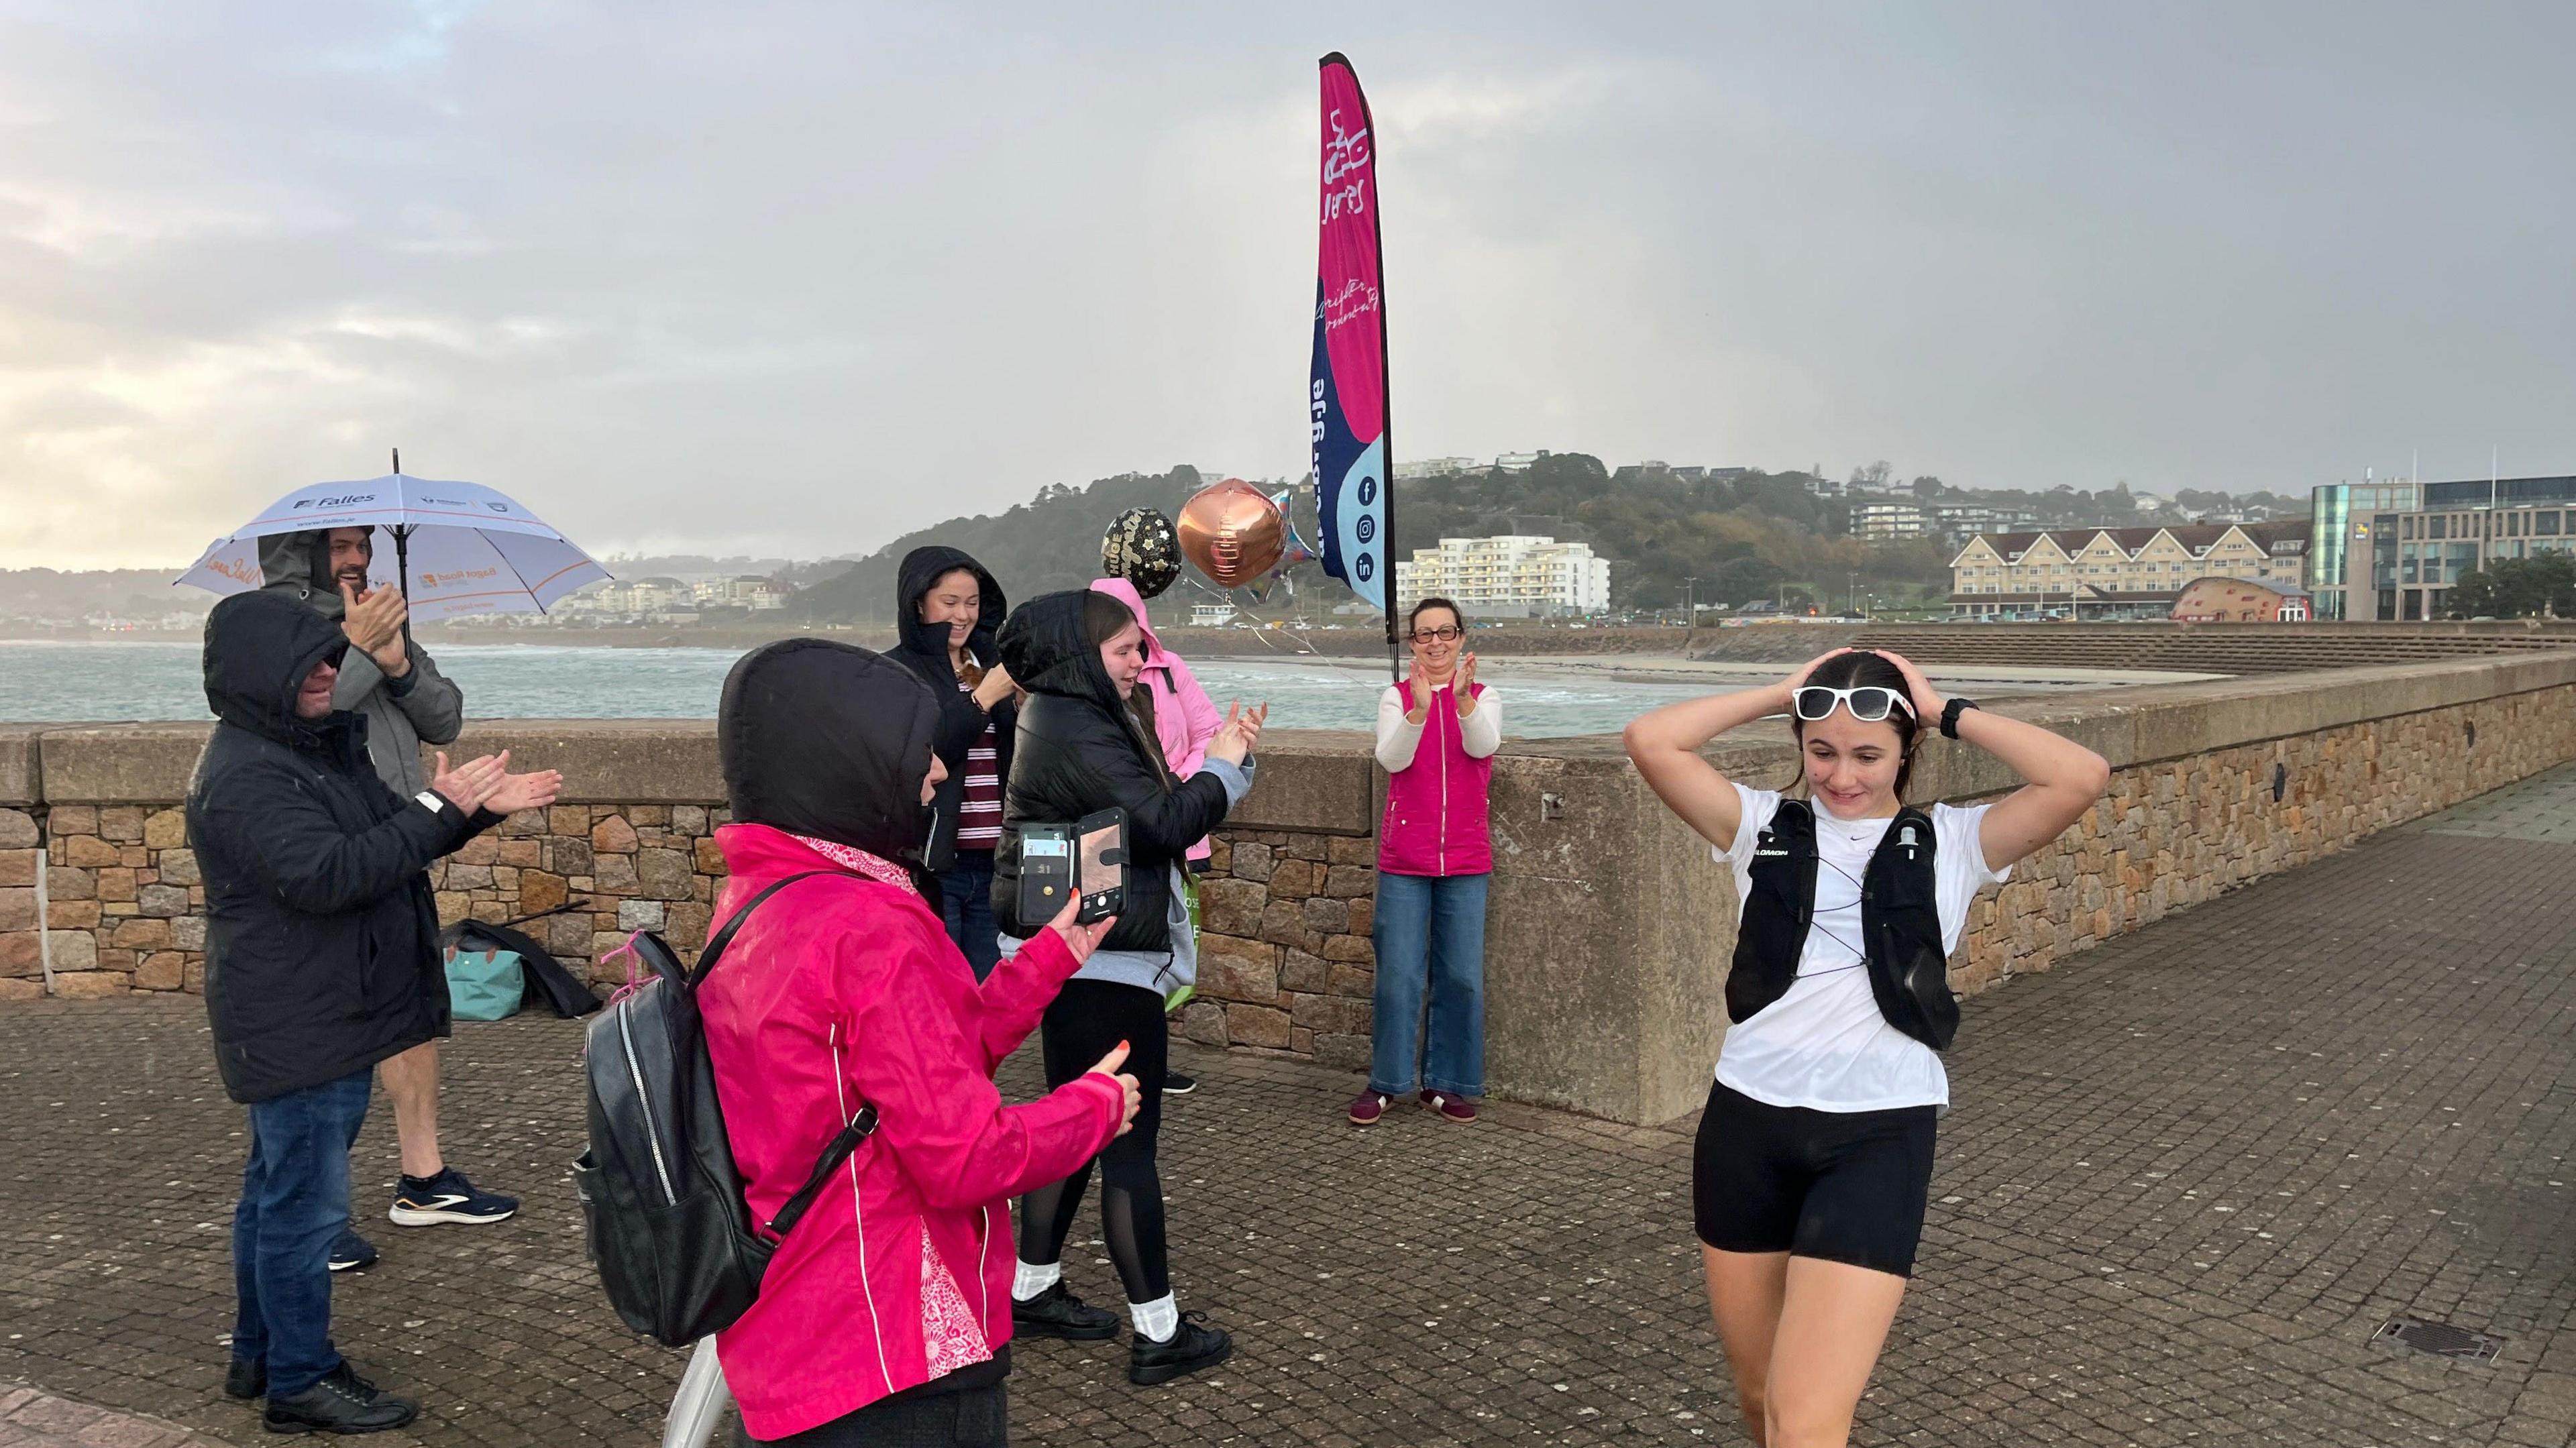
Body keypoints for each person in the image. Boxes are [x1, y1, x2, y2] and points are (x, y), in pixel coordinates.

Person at [1623, 648, 2108, 1448]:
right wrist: (1787, 690)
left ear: (1907, 749)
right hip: (1745, 1124)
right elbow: (1651, 739)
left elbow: (2080, 775)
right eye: (1820, 751)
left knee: (1808, 1414)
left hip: (1879, 1131)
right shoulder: (1757, 826)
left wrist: (1943, 705)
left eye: (1867, 754)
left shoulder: (1955, 841)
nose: (1841, 774)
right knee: (1761, 1397)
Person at [696, 638, 1140, 1447]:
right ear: (847, 762)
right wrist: (1095, 1107)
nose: (936, 774)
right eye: (913, 753)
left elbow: (924, 1055)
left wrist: (1051, 955)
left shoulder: (764, 896)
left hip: (794, 1318)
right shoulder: (869, 924)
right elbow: (966, 1155)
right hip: (894, 1343)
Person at [189, 591, 560, 1434]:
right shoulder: (250, 774)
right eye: (312, 660)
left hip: (318, 1007)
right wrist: (443, 808)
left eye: (333, 654)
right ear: (262, 675)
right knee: (303, 1207)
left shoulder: (309, 748)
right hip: (300, 1016)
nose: (331, 669)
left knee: (275, 1192)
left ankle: (260, 1353)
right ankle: (300, 1377)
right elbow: (331, 874)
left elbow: (387, 838)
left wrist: (461, 815)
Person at [991, 590, 1265, 1386]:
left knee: (1076, 1128)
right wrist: (1228, 767)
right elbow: (1162, 824)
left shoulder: (1067, 711)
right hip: (1101, 960)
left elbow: (1143, 814)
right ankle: (1160, 1328)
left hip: (1076, 954)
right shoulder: (1077, 719)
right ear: (1082, 655)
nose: (1139, 661)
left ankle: (1032, 1287)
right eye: (1123, 649)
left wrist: (1221, 758)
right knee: (1127, 1144)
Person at [259, 526, 516, 1273]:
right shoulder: (276, 628)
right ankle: (314, 1209)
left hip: (404, 836)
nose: (357, 558)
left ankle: (424, 1179)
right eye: (340, 545)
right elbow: (311, 709)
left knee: (410, 1015)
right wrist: (365, 647)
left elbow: (445, 717)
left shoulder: (381, 615)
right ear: (303, 550)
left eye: (363, 543)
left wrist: (398, 661)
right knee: (329, 1031)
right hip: (335, 847)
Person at [1349, 597, 1501, 1127]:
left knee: (1461, 976)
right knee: (1399, 975)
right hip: (1405, 860)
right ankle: (1387, 1081)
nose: (1436, 642)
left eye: (1446, 632)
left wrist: (1460, 701)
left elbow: (1484, 745)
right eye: (1424, 635)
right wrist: (1418, 709)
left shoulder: (1484, 696)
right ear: (1411, 643)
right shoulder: (1395, 697)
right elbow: (1392, 757)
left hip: (1465, 858)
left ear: (1461, 637)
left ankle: (1447, 1082)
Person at [1086, 575, 1222, 1095]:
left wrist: (1177, 783)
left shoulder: (1170, 669)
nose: (1133, 654)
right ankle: (1105, 1062)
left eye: (1135, 637)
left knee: (1170, 943)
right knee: (1107, 947)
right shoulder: (1081, 693)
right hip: (1105, 841)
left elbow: (1209, 730)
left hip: (1177, 831)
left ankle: (1147, 1058)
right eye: (1118, 642)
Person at [892, 547, 1020, 980]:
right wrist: (985, 699)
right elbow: (925, 752)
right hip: (935, 864)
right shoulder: (895, 671)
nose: (963, 615)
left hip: (998, 860)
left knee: (984, 994)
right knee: (938, 990)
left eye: (972, 603)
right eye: (950, 603)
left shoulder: (989, 666)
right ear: (918, 603)